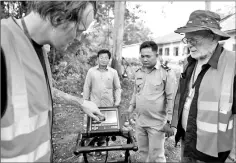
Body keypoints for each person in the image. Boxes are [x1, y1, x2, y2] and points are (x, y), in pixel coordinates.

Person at [1, 1, 104, 162]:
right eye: (78, 30)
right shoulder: (3, 45)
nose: (78, 38)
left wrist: (80, 102)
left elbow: (41, 92)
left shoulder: (39, 49)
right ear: (58, 18)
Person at [171, 10, 236, 163]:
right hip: (188, 140)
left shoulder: (232, 64)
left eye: (194, 38)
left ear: (213, 36)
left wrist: (233, 156)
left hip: (215, 152)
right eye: (187, 39)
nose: (189, 44)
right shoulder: (190, 62)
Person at [128, 41, 176, 162]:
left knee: (156, 156)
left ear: (156, 55)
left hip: (157, 123)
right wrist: (130, 108)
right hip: (140, 121)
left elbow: (172, 99)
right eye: (142, 56)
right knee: (143, 153)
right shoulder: (138, 72)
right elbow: (136, 92)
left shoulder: (166, 73)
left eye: (148, 56)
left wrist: (170, 122)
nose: (144, 59)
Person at [83, 49, 121, 155]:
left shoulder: (113, 72)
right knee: (93, 125)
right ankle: (90, 147)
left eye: (106, 58)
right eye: (101, 57)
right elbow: (87, 86)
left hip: (108, 104)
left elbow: (117, 88)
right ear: (97, 59)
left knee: (105, 126)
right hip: (94, 104)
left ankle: (101, 146)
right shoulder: (91, 71)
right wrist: (85, 102)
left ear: (109, 59)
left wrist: (117, 100)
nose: (104, 60)